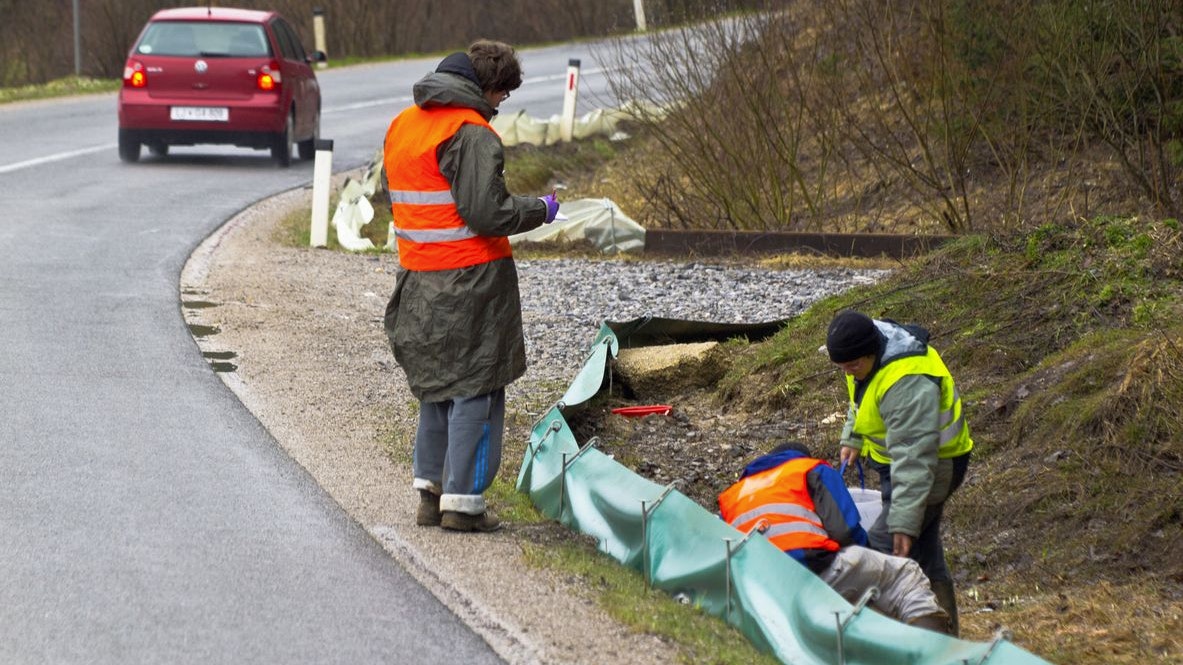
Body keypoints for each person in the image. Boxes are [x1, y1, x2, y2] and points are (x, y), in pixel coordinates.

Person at [382, 40, 560, 533]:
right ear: (487, 86)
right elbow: (486, 213)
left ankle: (429, 491)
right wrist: (540, 210)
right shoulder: (472, 132)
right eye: (503, 93)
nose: (502, 104)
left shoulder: (403, 126)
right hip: (471, 279)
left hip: (418, 278)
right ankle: (463, 503)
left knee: (437, 386)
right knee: (477, 387)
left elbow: (395, 194)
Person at [826, 310, 973, 635]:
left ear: (871, 352)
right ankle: (945, 640)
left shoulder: (907, 382)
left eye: (852, 366)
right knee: (925, 551)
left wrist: (904, 522)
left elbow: (915, 457)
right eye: (842, 368)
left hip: (934, 465)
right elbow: (862, 394)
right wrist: (854, 435)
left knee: (883, 552)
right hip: (900, 464)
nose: (848, 373)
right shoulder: (864, 345)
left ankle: (886, 640)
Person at [718, 442, 949, 632]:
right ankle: (930, 650)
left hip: (756, 585)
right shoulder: (810, 469)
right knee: (903, 575)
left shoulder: (733, 494)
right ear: (800, 457)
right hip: (809, 570)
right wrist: (868, 555)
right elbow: (845, 531)